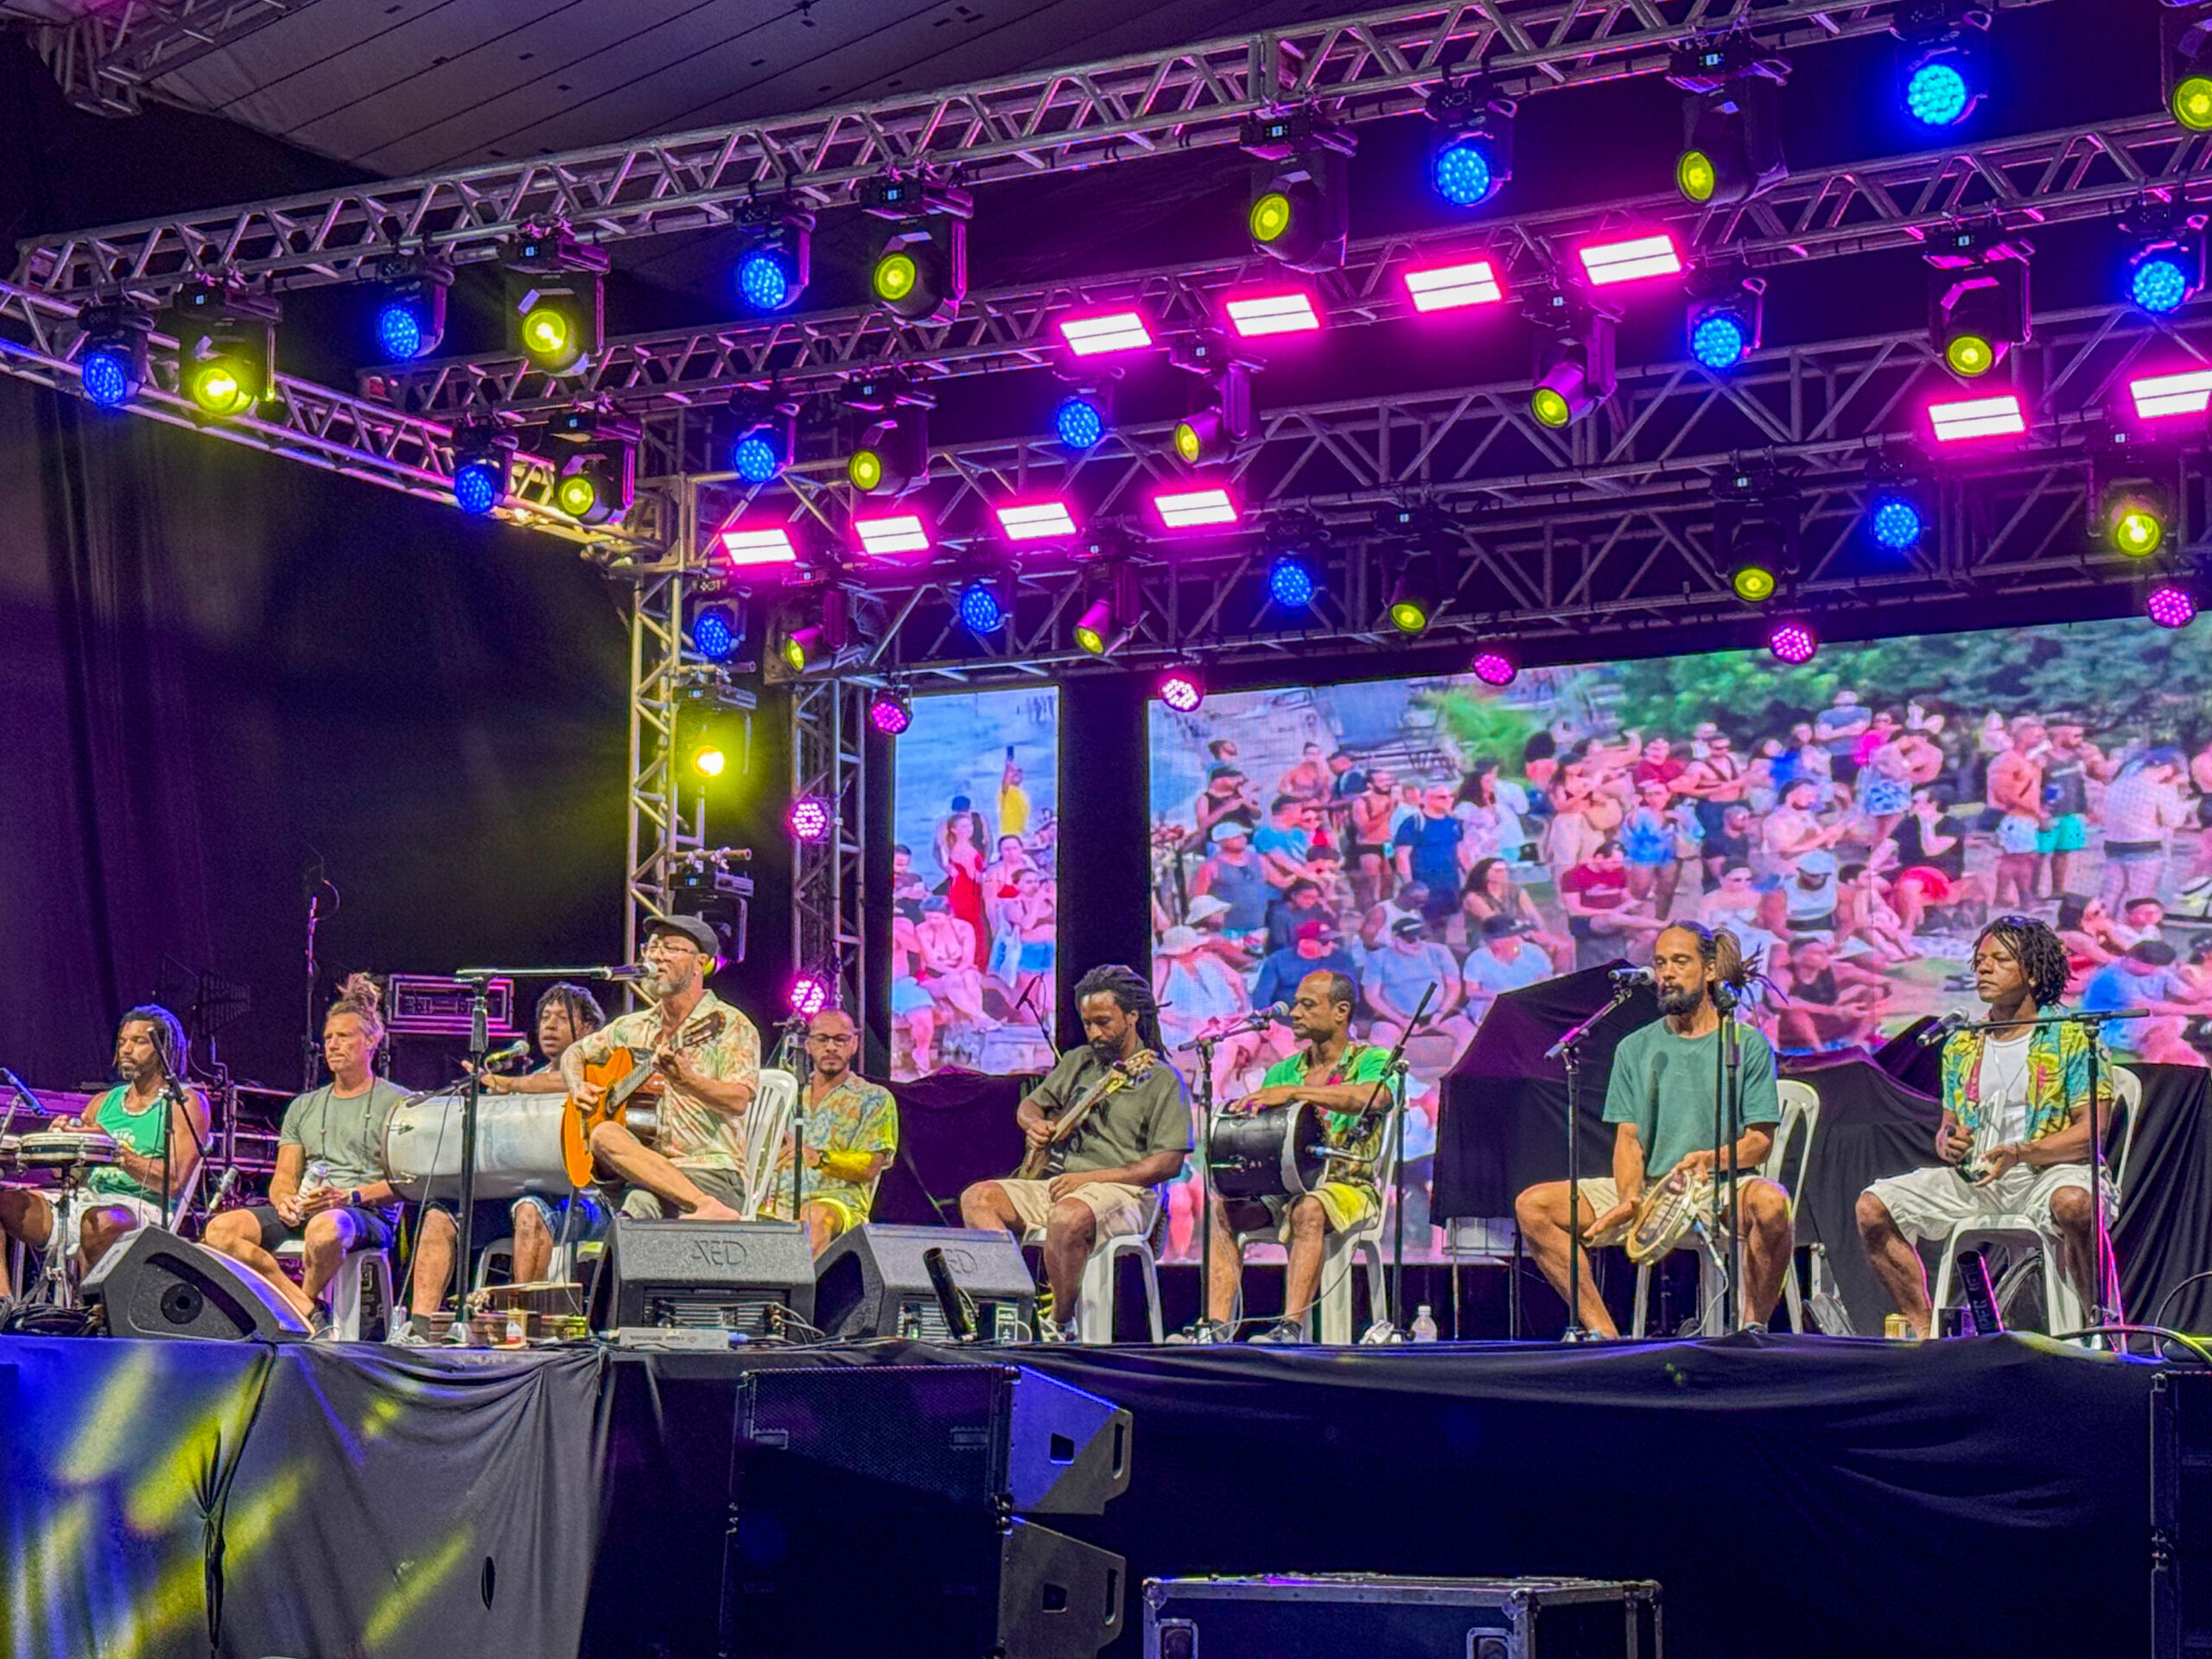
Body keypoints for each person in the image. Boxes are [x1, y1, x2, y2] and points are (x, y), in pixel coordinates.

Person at [1512, 924, 1791, 1339]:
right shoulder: (1635, 1047)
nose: (1667, 973)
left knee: (1772, 1202)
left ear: (1710, 970)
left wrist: (1708, 1159)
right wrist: (1630, 1197)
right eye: (1661, 963)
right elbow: (1629, 1140)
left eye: (1680, 962)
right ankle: (1604, 1336)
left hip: (1720, 1189)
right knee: (1534, 1206)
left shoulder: (1744, 1043)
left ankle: (1753, 1330)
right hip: (1651, 1190)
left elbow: (1759, 1142)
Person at [1856, 917, 2122, 1337]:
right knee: (1874, 1208)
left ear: (2032, 973)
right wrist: (1949, 1142)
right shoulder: (1962, 1043)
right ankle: (1927, 1334)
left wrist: (2020, 1152)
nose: (1983, 968)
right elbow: (1948, 1129)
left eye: (2000, 960)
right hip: (1980, 1179)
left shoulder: (2072, 1037)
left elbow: (2091, 1134)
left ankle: (2099, 1327)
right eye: (1980, 960)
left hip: (2050, 1174)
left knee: (2074, 1204)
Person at [958, 966, 1192, 1340]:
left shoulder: (1162, 1080)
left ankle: (1060, 1324)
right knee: (979, 1198)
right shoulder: (1078, 1061)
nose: (1094, 1033)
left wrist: (1090, 1178)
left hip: (1126, 1192)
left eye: (1103, 1022)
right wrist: (1034, 1124)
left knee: (1068, 1216)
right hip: (1064, 1184)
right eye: (1087, 1024)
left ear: (1132, 1016)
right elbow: (1030, 1106)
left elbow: (1168, 1163)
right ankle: (1014, 1305)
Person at [1194, 971, 1395, 1344]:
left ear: (1341, 1011)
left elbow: (1372, 1097)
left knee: (1309, 1208)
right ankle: (1215, 1330)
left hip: (1349, 1186)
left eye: (1308, 1005)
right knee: (1224, 1210)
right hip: (1286, 1187)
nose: (1296, 1013)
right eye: (1297, 1004)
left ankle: (1290, 1328)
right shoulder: (1283, 1071)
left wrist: (1295, 1093)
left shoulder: (1373, 1060)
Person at [204, 976, 410, 1334]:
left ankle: (302, 1310)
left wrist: (348, 1196)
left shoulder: (399, 1102)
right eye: (328, 1038)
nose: (332, 1045)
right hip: (310, 1207)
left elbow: (406, 1183)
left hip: (364, 1212)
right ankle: (303, 1307)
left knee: (326, 1228)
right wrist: (284, 1201)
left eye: (343, 1036)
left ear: (371, 1041)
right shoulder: (304, 1106)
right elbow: (284, 1178)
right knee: (220, 1230)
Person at [402, 983, 609, 1332]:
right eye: (545, 1018)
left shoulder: (597, 1074)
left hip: (584, 1201)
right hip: (517, 1195)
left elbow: (565, 1082)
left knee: (531, 1208)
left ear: (588, 1027)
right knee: (440, 1214)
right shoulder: (530, 1079)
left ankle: (520, 1328)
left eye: (562, 1018)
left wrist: (508, 1085)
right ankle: (420, 1329)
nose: (549, 1026)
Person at [557, 915, 759, 1221]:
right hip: (644, 1168)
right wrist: (577, 1086)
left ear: (700, 963)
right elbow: (574, 1053)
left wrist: (688, 1081)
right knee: (604, 1135)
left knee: (637, 1203)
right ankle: (702, 1206)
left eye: (671, 948)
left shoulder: (729, 1024)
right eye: (651, 948)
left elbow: (738, 1100)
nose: (657, 956)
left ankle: (706, 1204)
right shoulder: (632, 1026)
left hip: (710, 1170)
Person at [0, 1005, 208, 1298]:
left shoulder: (184, 1102)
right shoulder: (102, 1102)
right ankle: (3, 1303)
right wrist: (63, 1143)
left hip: (140, 1208)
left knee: (98, 1222)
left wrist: (114, 1149)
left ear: (165, 1050)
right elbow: (70, 1175)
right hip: (84, 1200)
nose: (126, 1050)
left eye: (139, 1042)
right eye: (122, 1042)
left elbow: (173, 1182)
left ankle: (92, 1312)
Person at [756, 1010, 899, 1253]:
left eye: (840, 1040)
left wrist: (819, 1158)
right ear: (808, 1045)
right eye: (822, 1039)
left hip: (837, 1204)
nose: (831, 1047)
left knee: (815, 1216)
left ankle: (804, 1279)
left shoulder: (874, 1098)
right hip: (775, 1202)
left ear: (854, 1044)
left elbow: (870, 1166)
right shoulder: (790, 1094)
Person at [2100, 749, 2191, 910]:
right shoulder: (2157, 789)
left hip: (2113, 845)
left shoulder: (2118, 786)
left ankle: (2102, 922)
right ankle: (2127, 926)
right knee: (2138, 899)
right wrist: (2178, 795)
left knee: (2112, 894)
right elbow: (2174, 821)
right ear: (2167, 769)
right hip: (2145, 846)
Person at [1366, 915, 1472, 1048]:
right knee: (1380, 1039)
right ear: (1395, 939)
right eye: (1411, 939)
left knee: (1469, 1034)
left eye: (1422, 937)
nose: (1418, 943)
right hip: (1395, 1016)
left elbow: (1454, 986)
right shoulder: (1378, 958)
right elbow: (1372, 996)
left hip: (1437, 1012)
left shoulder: (1440, 951)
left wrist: (1440, 1013)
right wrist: (1401, 1020)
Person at [1560, 840, 1666, 969]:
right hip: (1587, 921)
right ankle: (1663, 924)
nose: (1618, 865)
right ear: (1599, 858)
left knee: (1650, 935)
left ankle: (1630, 965)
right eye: (1614, 862)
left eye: (1620, 862)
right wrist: (1610, 912)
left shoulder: (1619, 872)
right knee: (1613, 918)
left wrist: (1633, 903)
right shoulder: (1574, 875)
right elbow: (1574, 910)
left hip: (1618, 917)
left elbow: (1625, 897)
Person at [1773, 937, 1889, 1052]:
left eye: (1826, 952)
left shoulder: (1838, 970)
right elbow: (1782, 1002)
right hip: (1798, 1029)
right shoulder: (1783, 974)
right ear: (1797, 957)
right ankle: (1820, 1051)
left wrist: (1859, 991)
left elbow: (1885, 983)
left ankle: (1854, 1042)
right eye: (1816, 953)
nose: (1825, 956)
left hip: (1830, 1018)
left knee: (1875, 993)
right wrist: (1835, 1010)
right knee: (1795, 1012)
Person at [1986, 719, 2048, 911]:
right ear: (2023, 736)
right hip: (2015, 817)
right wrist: (2034, 812)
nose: (2042, 739)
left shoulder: (2027, 761)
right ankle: (2024, 899)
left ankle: (2004, 897)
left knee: (2018, 858)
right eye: (2037, 736)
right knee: (2021, 859)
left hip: (2025, 818)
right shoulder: (2008, 760)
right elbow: (2003, 792)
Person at [1394, 784, 1470, 925]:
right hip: (1424, 886)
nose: (1448, 800)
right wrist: (1409, 884)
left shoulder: (1454, 822)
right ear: (1425, 799)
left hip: (1450, 885)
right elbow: (1402, 856)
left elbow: (1460, 850)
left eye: (1451, 796)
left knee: (1451, 923)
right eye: (1441, 797)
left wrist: (1470, 875)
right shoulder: (1414, 823)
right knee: (1427, 925)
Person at [1462, 915, 1554, 1025]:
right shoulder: (1477, 958)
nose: (1519, 938)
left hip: (1528, 1002)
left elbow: (1545, 981)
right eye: (1513, 935)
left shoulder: (1534, 952)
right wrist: (1500, 996)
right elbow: (1471, 991)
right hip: (1492, 1005)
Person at [1192, 821, 1270, 938]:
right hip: (1228, 930)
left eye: (1242, 836)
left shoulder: (1258, 859)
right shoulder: (1210, 866)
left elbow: (1277, 881)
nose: (1242, 840)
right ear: (1222, 841)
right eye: (1236, 837)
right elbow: (1198, 898)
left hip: (1258, 928)